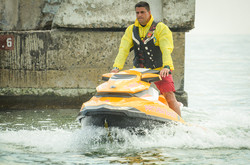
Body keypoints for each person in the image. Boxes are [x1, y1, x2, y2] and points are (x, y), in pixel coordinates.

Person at [111, 1, 181, 116]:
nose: (139, 15)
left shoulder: (160, 28)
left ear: (149, 13)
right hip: (140, 71)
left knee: (169, 96)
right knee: (132, 94)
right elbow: (123, 50)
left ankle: (180, 123)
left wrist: (167, 66)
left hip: (160, 70)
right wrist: (116, 67)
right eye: (137, 13)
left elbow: (166, 49)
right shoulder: (131, 30)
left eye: (142, 12)